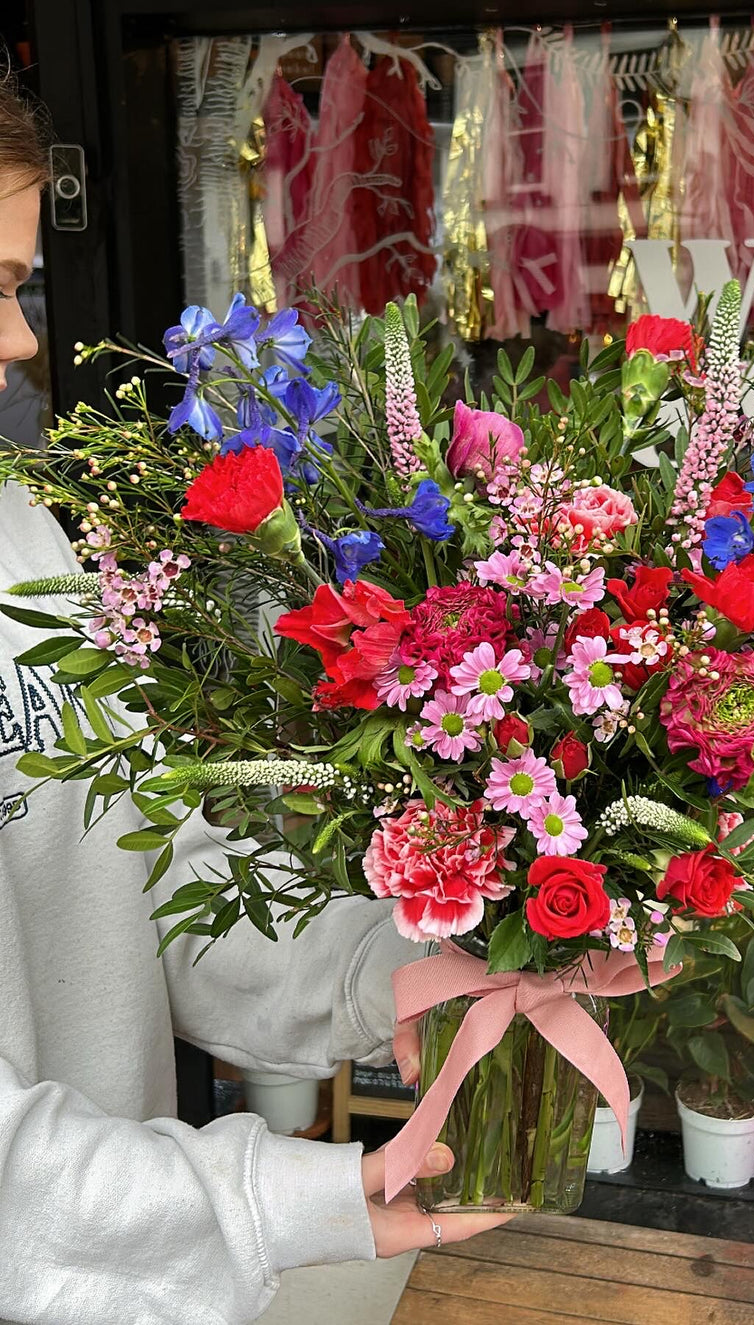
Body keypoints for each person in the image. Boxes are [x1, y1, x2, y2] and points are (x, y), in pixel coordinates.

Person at [0, 75, 507, 1325]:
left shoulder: (22, 539)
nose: (21, 340)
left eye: (14, 287)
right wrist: (296, 1199)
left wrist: (403, 971)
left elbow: (157, 882)